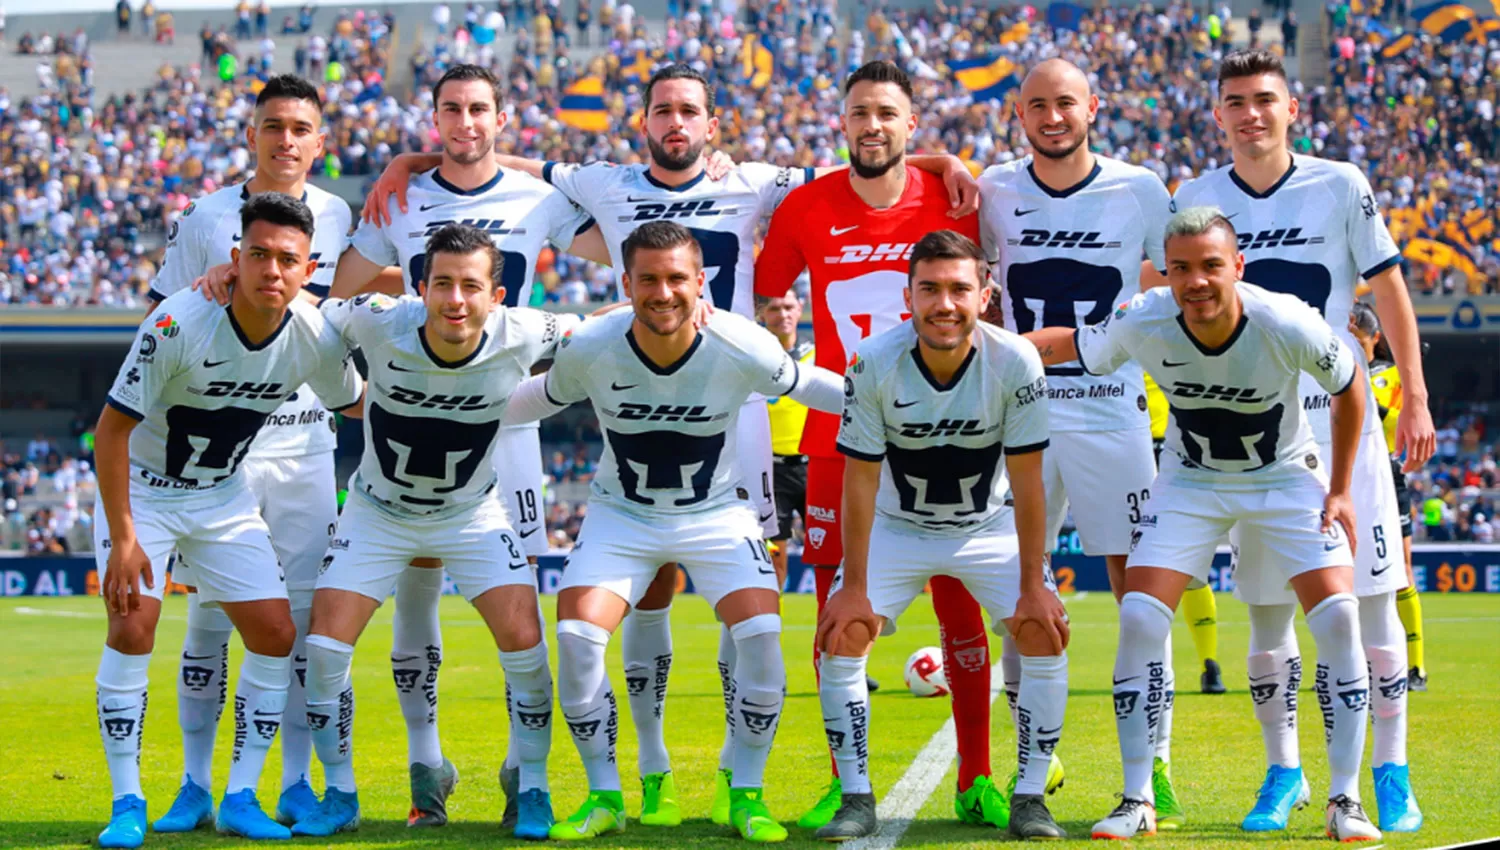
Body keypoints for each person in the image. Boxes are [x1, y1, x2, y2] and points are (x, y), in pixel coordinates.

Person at [363, 61, 977, 826]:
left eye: (690, 110)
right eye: (662, 110)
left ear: (712, 124)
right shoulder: (607, 186)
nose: (676, 123)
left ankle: (736, 779)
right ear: (644, 121)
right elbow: (506, 163)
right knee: (635, 599)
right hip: (640, 417)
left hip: (739, 404)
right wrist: (415, 160)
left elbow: (861, 155)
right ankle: (641, 775)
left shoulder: (755, 181)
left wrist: (938, 161)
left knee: (750, 620)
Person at [1025, 205, 1380, 842]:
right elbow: (1070, 347)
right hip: (1191, 481)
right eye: (1181, 268)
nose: (1196, 282)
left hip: (1283, 477)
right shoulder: (1144, 318)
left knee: (1340, 617)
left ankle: (1345, 799)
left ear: (1237, 267)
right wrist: (981, 345)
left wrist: (1341, 489)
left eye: (1212, 266)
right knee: (1137, 615)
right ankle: (1137, 798)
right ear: (1167, 273)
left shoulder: (1284, 320)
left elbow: (1352, 383)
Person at [327, 63, 607, 827]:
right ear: (435, 116)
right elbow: (333, 285)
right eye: (450, 109)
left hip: (507, 421)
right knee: (415, 591)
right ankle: (428, 769)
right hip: (422, 420)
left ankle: (525, 770)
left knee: (517, 609)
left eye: (479, 109)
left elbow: (620, 247)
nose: (465, 122)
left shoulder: (539, 198)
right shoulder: (402, 196)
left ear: (501, 116)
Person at [1171, 48, 1432, 833]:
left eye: (1265, 99)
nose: (1251, 114)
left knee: (1375, 599)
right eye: (1235, 102)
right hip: (1254, 430)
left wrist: (1413, 392)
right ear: (1217, 115)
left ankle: (1391, 770)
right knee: (1266, 609)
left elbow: (1388, 289)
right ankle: (1282, 771)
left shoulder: (1340, 183)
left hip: (1341, 413)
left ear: (1292, 110)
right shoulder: (1195, 195)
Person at [520, 221, 845, 842]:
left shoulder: (740, 342)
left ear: (702, 284)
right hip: (623, 516)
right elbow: (536, 398)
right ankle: (608, 794)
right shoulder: (593, 342)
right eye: (648, 279)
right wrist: (437, 401)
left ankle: (745, 790)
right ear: (627, 284)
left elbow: (811, 386)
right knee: (578, 637)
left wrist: (887, 395)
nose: (663, 293)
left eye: (677, 279)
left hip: (717, 515)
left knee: (761, 634)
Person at [754, 59, 1006, 832]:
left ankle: (977, 775)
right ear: (844, 123)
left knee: (958, 604)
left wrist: (946, 166)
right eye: (860, 113)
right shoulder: (805, 207)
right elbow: (768, 288)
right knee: (837, 610)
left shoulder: (955, 200)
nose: (873, 126)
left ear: (909, 126)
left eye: (887, 114)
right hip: (843, 437)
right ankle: (844, 781)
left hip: (948, 434)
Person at [92, 193, 363, 848]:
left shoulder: (315, 338)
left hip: (220, 496)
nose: (273, 270)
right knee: (133, 628)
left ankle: (241, 795)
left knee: (274, 632)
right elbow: (110, 432)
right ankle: (127, 801)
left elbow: (356, 407)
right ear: (235, 258)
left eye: (287, 260)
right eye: (260, 255)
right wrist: (125, 538)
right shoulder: (177, 322)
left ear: (308, 269)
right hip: (146, 492)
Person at [292, 224, 578, 839]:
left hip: (471, 515)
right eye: (442, 284)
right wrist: (343, 391)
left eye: (471, 286)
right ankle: (340, 791)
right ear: (419, 288)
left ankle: (529, 784)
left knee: (526, 646)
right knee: (322, 650)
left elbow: (599, 329)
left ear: (496, 296)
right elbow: (313, 315)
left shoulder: (524, 331)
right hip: (377, 513)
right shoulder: (377, 318)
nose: (455, 299)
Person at [977, 56, 1190, 823]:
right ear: (1019, 113)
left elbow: (1179, 280)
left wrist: (1106, 337)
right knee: (1011, 585)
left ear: (1092, 106)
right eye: (1038, 105)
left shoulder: (1139, 187)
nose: (1053, 116)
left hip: (1111, 408)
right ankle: (1035, 749)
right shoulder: (995, 186)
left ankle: (1154, 761)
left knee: (1141, 595)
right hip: (1022, 412)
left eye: (1066, 102)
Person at [145, 74, 355, 834]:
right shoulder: (205, 217)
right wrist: (206, 292)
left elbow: (352, 308)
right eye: (274, 125)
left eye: (302, 127)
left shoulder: (340, 215)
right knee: (207, 621)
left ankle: (293, 781)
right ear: (252, 135)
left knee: (291, 622)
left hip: (304, 445)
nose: (287, 140)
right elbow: (161, 323)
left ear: (321, 141)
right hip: (224, 448)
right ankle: (196, 785)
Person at [815, 230, 1069, 841]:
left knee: (1043, 629)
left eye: (959, 289)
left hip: (987, 527)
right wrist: (852, 586)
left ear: (985, 294)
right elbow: (859, 481)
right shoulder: (873, 360)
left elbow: (1029, 483)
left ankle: (1031, 796)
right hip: (899, 528)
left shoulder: (1016, 361)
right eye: (929, 289)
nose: (945, 304)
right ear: (909, 296)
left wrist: (1035, 582)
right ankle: (854, 796)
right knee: (843, 630)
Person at [1348, 302, 1427, 691]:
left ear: (1374, 339)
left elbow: (1392, 422)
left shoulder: (1391, 377)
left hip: (1386, 477)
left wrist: (1361, 392)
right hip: (1343, 476)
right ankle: (1357, 661)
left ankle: (1415, 667)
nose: (1351, 345)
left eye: (1357, 339)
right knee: (1343, 573)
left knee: (1401, 572)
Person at [758, 289, 814, 589]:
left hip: (813, 469)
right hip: (770, 473)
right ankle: (768, 631)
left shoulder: (816, 356)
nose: (783, 315)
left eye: (789, 307)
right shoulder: (754, 358)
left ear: (800, 308)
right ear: (762, 313)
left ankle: (833, 634)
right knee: (774, 562)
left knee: (828, 555)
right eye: (775, 308)